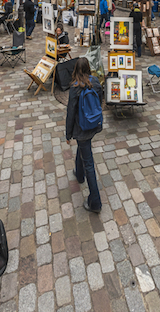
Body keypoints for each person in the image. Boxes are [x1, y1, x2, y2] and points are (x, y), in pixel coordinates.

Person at [65, 58, 104, 213]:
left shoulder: (75, 88)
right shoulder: (95, 82)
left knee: (89, 163)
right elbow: (99, 103)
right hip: (93, 125)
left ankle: (95, 202)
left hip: (81, 129)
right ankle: (78, 173)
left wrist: (68, 134)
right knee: (84, 149)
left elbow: (70, 113)